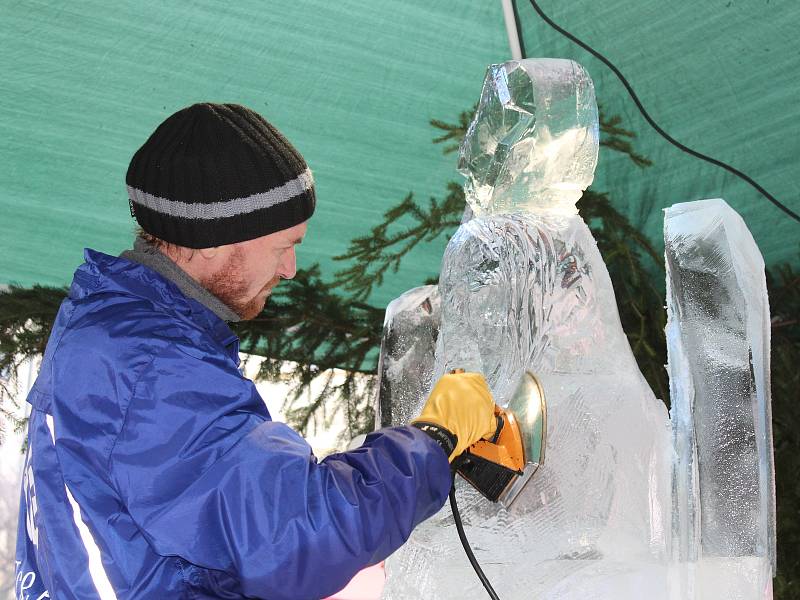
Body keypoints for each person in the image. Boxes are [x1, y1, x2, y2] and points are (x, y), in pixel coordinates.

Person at [14, 103, 497, 600]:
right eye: (282, 245)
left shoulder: (119, 329)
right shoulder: (151, 367)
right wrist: (433, 438)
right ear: (209, 241)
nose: (290, 269)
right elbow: (296, 534)